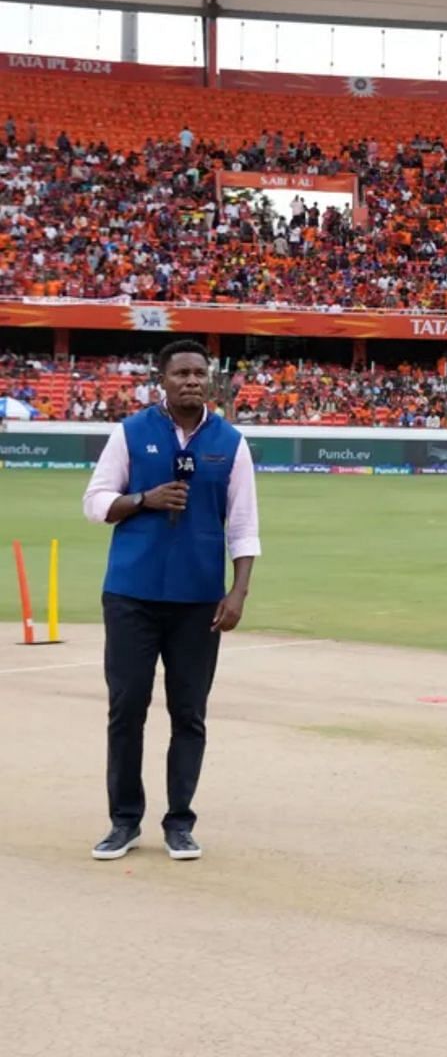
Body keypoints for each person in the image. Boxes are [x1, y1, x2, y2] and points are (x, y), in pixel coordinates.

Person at [81, 339, 259, 862]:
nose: (190, 380)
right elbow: (94, 502)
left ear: (210, 379)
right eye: (180, 372)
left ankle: (179, 822)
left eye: (198, 372)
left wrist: (238, 592)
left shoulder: (230, 442)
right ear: (162, 379)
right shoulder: (132, 433)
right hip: (131, 596)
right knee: (126, 708)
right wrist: (143, 500)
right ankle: (124, 821)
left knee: (189, 714)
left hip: (199, 603)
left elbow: (244, 525)